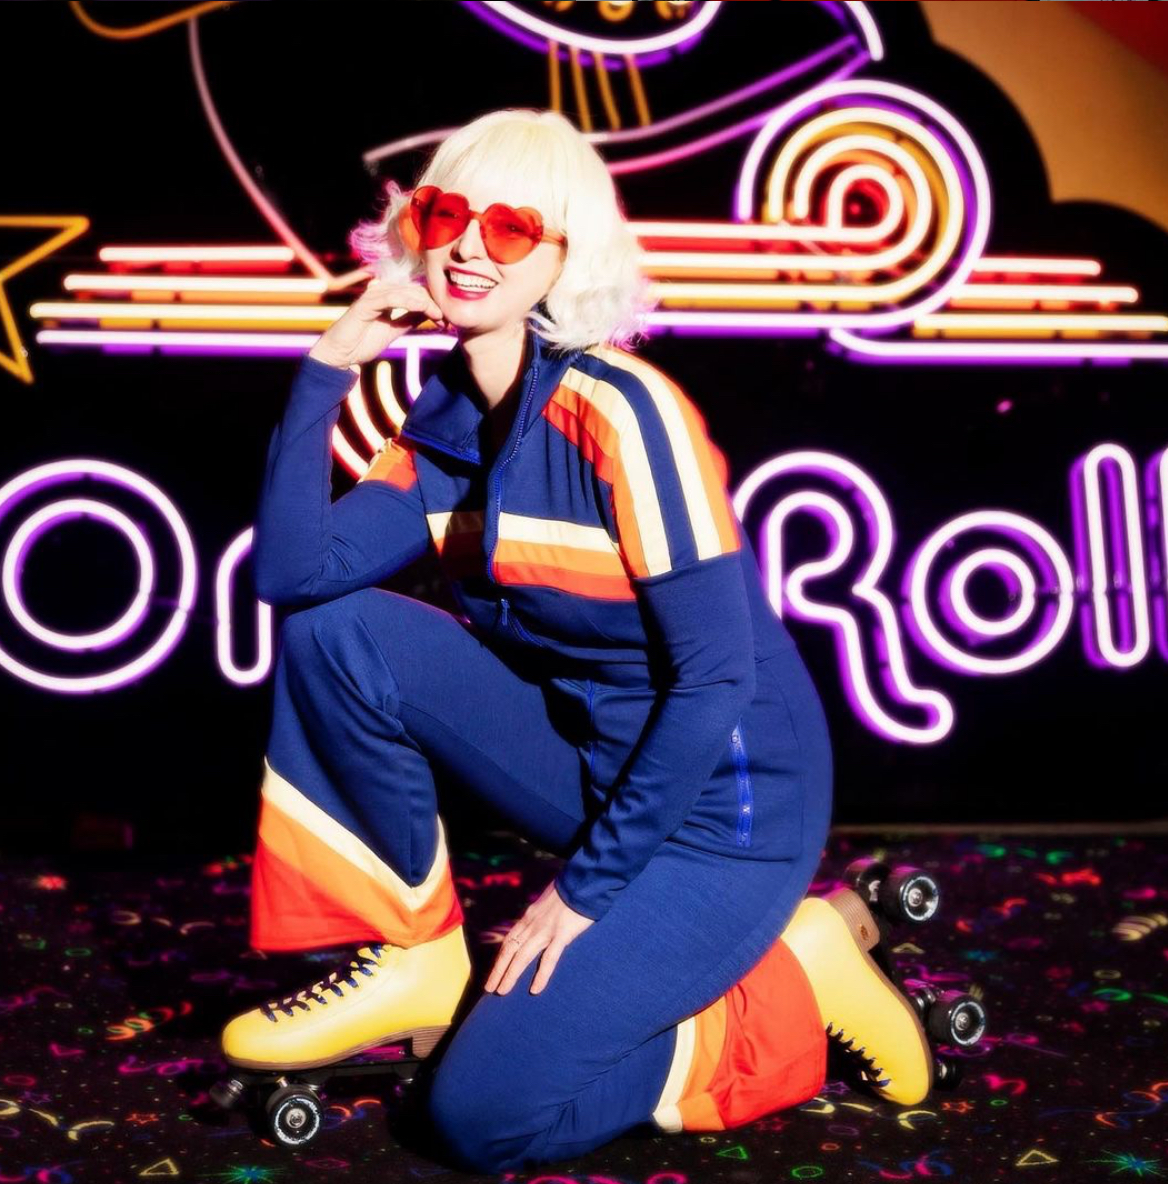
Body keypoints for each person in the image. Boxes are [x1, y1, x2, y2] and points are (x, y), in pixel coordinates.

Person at [219, 108, 937, 1170]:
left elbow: (714, 679)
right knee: (338, 631)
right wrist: (327, 365)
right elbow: (293, 577)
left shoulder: (622, 410)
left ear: (566, 257)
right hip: (594, 762)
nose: (469, 246)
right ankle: (415, 950)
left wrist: (582, 890)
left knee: (477, 1117)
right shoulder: (445, 421)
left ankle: (790, 978)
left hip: (726, 810)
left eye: (511, 228)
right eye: (446, 214)